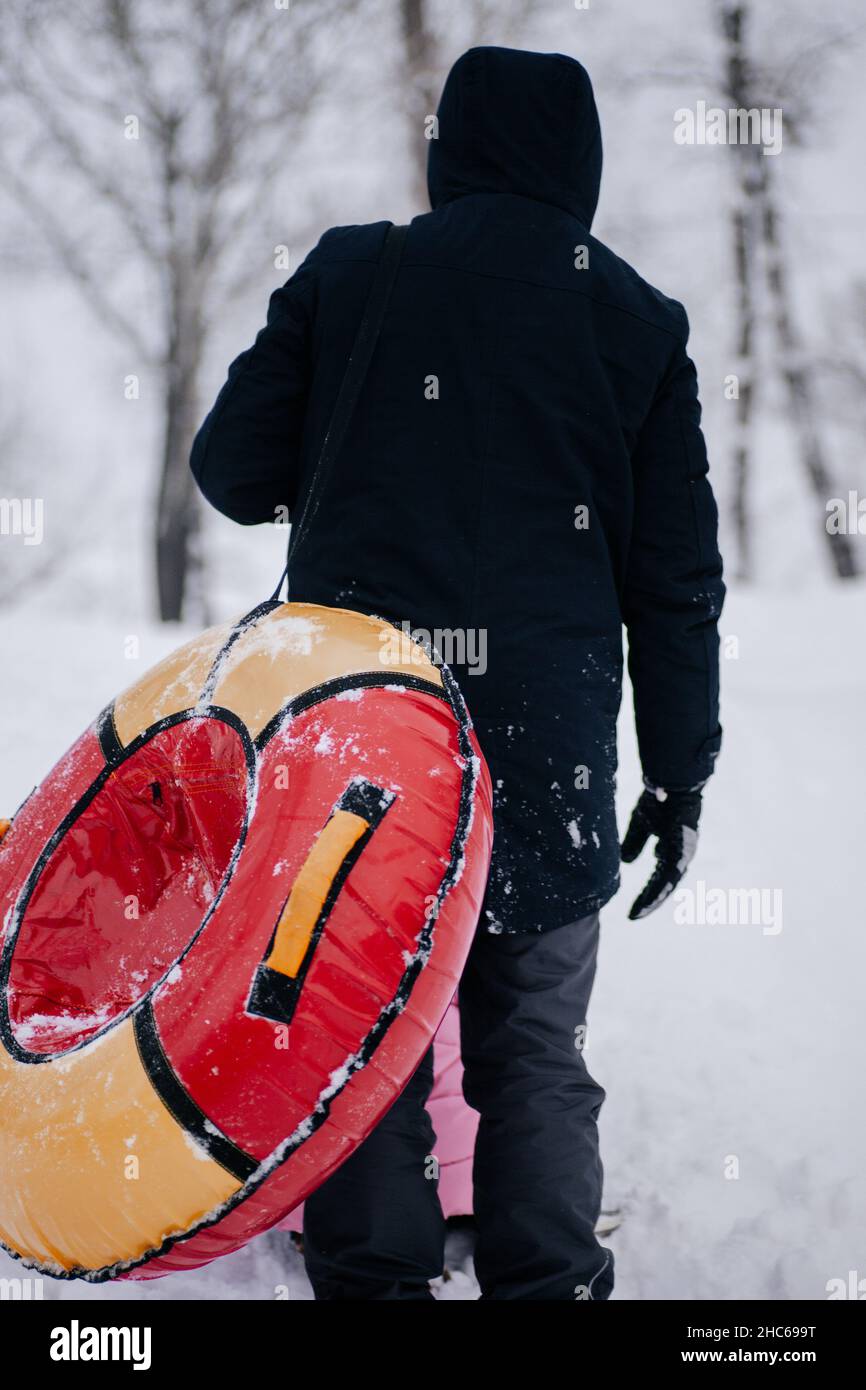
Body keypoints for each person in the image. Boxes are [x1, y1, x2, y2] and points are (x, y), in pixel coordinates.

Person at [190, 45, 724, 1301]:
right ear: (580, 163)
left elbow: (228, 471)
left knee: (357, 1021)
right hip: (549, 733)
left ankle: (370, 1282)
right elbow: (675, 583)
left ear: (450, 150)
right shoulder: (638, 319)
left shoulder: (354, 270)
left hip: (364, 724)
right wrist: (680, 772)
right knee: (532, 1044)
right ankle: (547, 1283)